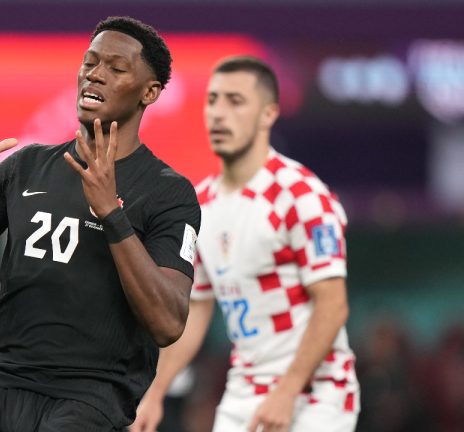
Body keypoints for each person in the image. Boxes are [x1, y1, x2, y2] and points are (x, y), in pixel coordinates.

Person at [0, 16, 201, 431]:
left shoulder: (168, 192)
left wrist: (112, 215)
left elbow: (168, 323)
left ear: (149, 92)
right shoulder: (26, 166)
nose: (95, 75)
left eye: (116, 69)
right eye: (90, 62)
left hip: (90, 395)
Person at [130, 56, 360, 432]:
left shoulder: (301, 195)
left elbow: (333, 305)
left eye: (235, 102)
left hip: (316, 396)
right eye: (213, 100)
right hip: (244, 394)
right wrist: (154, 393)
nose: (219, 114)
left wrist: (287, 392)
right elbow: (196, 311)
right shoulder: (199, 203)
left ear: (268, 114)